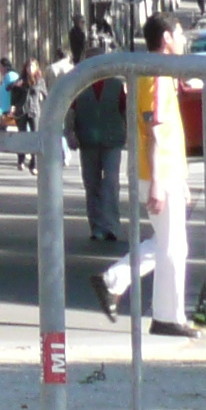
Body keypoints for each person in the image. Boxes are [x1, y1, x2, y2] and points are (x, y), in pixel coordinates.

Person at [101, 14, 196, 336]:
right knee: (172, 246)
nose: (183, 39)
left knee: (171, 244)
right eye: (180, 33)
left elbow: (166, 132)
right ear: (167, 38)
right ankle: (168, 317)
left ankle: (118, 284)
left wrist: (178, 180)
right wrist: (159, 181)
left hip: (164, 172)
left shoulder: (158, 73)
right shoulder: (155, 75)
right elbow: (155, 129)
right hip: (157, 172)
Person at [70, 22, 129, 245]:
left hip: (112, 139)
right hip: (87, 140)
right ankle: (96, 227)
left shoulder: (115, 84)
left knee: (111, 182)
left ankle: (111, 226)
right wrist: (70, 133)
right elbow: (70, 111)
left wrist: (129, 133)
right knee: (92, 184)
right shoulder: (77, 85)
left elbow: (125, 110)